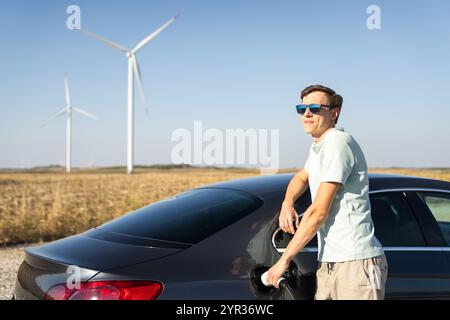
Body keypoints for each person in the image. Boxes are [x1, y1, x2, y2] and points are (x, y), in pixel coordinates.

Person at [265, 84, 388, 300]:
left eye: (314, 107)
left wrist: (284, 261)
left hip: (355, 264)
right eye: (301, 109)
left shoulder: (338, 143)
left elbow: (319, 211)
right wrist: (288, 202)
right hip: (329, 262)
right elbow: (301, 177)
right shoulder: (319, 147)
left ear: (334, 113)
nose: (307, 113)